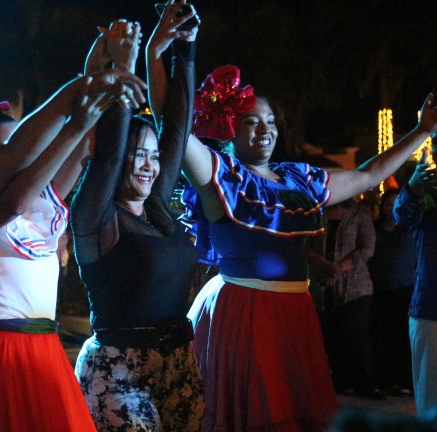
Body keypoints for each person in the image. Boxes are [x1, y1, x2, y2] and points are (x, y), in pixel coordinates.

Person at [168, 29, 437, 430]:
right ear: (228, 128)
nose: (265, 130)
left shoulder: (298, 180)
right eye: (250, 122)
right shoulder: (220, 175)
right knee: (257, 416)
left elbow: (367, 175)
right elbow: (175, 126)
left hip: (295, 310)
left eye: (270, 121)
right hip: (245, 311)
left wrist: (422, 131)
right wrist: (176, 51)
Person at [0, 68, 146, 429]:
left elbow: (85, 145)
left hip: (45, 351)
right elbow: (15, 201)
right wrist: (76, 116)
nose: (27, 157)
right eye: (11, 151)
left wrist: (111, 70)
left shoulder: (40, 212)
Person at [71, 9, 204, 431]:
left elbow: (177, 131)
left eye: (153, 156)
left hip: (179, 363)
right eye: (138, 155)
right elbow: (108, 156)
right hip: (117, 369)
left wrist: (184, 49)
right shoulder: (96, 214)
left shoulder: (157, 207)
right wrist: (124, 69)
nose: (149, 165)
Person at [307, 198, 381, 399]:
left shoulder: (359, 216)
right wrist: (326, 266)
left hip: (355, 287)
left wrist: (338, 268)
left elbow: (366, 249)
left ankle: (365, 383)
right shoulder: (316, 215)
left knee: (357, 336)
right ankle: (340, 379)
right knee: (331, 335)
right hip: (323, 285)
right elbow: (307, 246)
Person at [393, 152, 437, 420]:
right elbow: (401, 216)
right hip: (431, 309)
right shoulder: (426, 196)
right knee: (431, 398)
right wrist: (414, 187)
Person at [369, 187, 416, 396]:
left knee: (403, 337)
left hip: (406, 289)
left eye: (396, 204)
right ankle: (385, 379)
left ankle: (404, 380)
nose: (392, 208)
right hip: (379, 290)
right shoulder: (374, 229)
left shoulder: (411, 229)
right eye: (388, 204)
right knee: (382, 336)